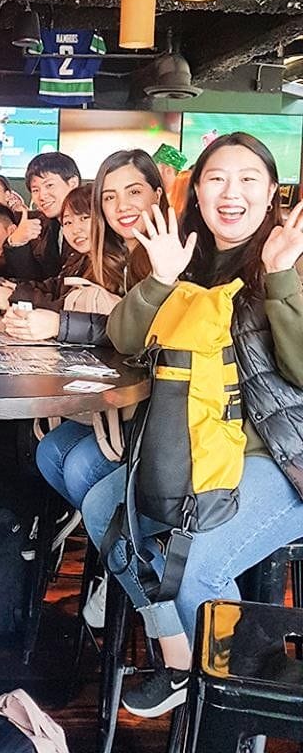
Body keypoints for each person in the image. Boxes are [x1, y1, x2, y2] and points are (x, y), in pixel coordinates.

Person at [82, 132, 303, 719]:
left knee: (199, 568)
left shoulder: (293, 255)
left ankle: (233, 714)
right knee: (105, 509)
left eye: (248, 180)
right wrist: (159, 280)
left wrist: (282, 277)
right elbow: (124, 341)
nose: (232, 193)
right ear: (196, 192)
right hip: (195, 444)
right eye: (217, 179)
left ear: (271, 192)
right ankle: (181, 657)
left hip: (280, 456)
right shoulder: (183, 255)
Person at [4, 151, 167, 553]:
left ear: (158, 195)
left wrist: (58, 325)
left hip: (159, 408)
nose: (121, 206)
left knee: (77, 467)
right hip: (123, 399)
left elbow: (140, 333)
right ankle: (111, 547)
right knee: (49, 452)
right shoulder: (112, 255)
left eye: (133, 192)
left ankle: (127, 559)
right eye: (110, 197)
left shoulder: (166, 255)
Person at [0, 184, 93, 313]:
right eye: (68, 222)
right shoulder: (80, 258)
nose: (75, 229)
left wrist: (16, 296)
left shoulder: (110, 263)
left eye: (84, 218)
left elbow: (71, 309)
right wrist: (17, 289)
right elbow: (55, 287)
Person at [3, 151, 81, 281]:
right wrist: (17, 242)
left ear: (73, 183)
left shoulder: (90, 224)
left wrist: (18, 291)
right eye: (35, 190)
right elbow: (35, 278)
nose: (42, 196)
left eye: (49, 185)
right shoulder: (48, 225)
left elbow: (65, 285)